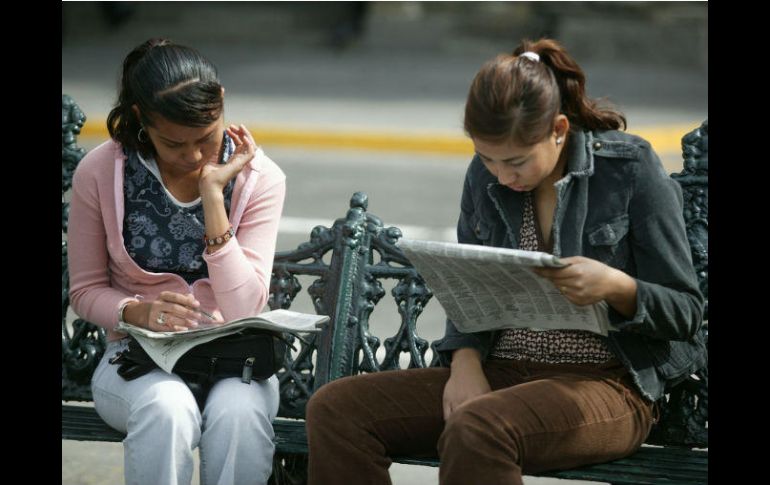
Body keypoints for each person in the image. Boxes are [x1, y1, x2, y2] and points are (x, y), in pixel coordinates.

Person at [304, 38, 707, 485]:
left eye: (516, 161)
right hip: (501, 372)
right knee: (337, 410)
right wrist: (464, 366)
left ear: (557, 129)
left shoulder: (630, 169)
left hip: (607, 383)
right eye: (487, 158)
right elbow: (467, 289)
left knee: (480, 428)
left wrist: (616, 286)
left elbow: (685, 312)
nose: (501, 176)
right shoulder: (485, 177)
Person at [67, 38, 286, 485]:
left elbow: (245, 308)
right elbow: (85, 290)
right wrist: (134, 311)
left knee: (239, 413)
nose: (192, 156)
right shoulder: (100, 171)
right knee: (166, 408)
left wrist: (213, 199)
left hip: (235, 361)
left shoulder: (260, 179)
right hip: (135, 361)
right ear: (139, 121)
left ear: (220, 104)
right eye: (174, 143)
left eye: (205, 139)